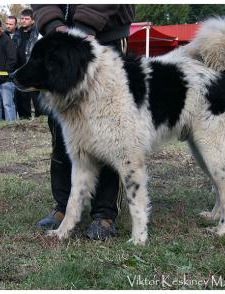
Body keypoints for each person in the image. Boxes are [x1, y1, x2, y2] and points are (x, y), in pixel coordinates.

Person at [32, 4, 135, 240]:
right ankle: (64, 206)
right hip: (58, 38)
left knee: (110, 132)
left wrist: (86, 25)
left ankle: (105, 213)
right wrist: (52, 24)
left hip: (105, 35)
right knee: (62, 131)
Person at [15, 8, 43, 120]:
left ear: (32, 20)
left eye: (26, 19)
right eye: (22, 18)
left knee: (36, 96)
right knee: (21, 95)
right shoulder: (17, 33)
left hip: (33, 69)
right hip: (19, 68)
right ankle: (24, 118)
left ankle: (40, 118)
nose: (23, 21)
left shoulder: (38, 34)